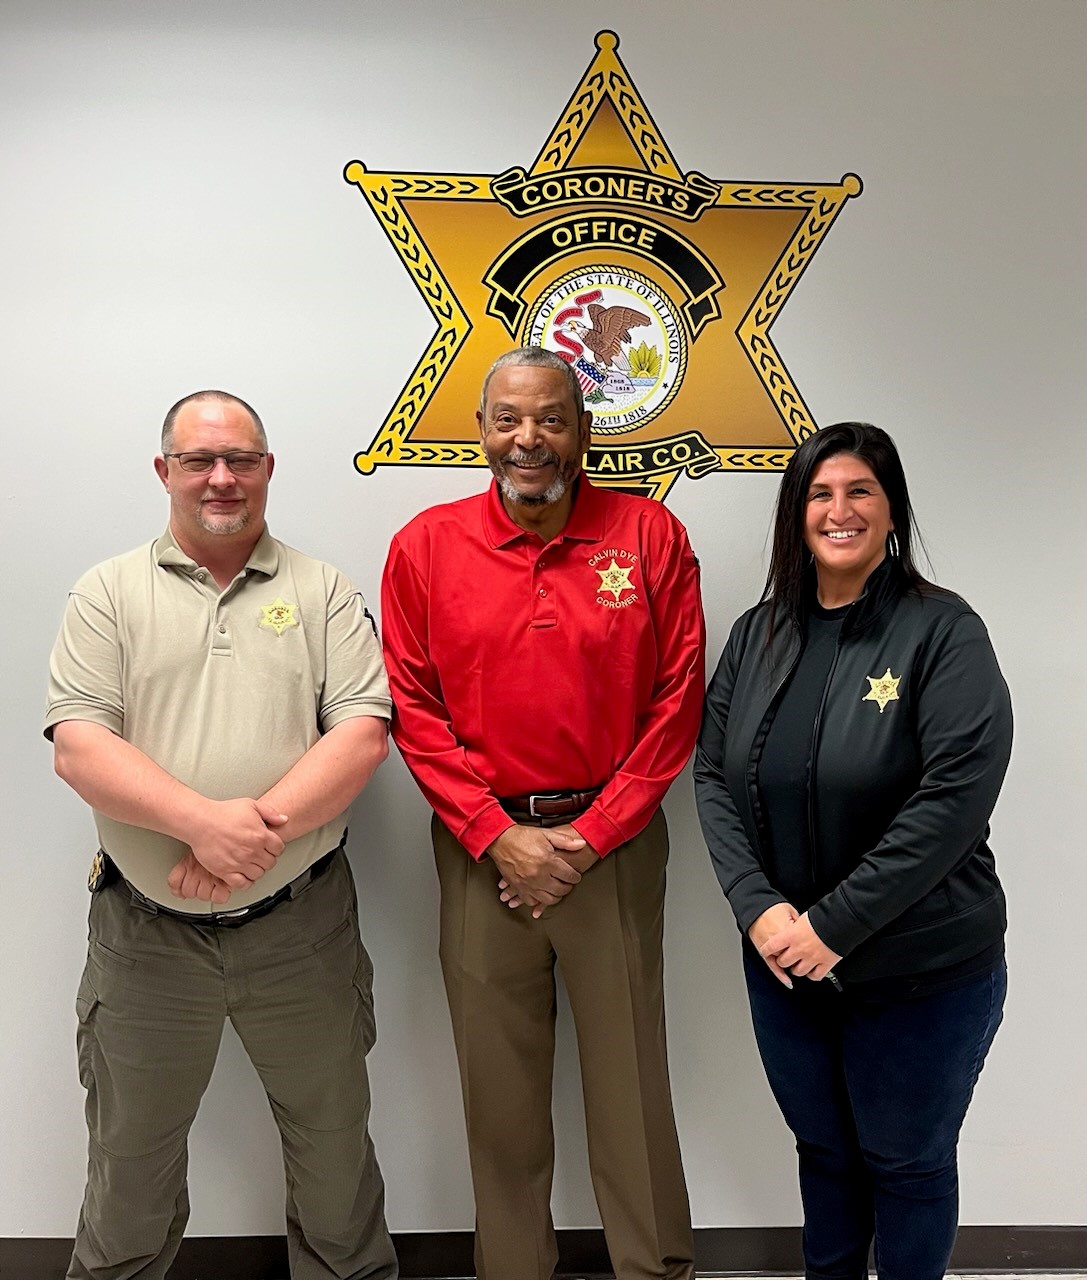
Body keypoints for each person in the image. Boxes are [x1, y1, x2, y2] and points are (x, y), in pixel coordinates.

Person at [46, 390, 398, 1280]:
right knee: (128, 1169)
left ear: (267, 470)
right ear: (163, 471)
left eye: (241, 460)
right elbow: (82, 748)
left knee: (335, 1162)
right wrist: (204, 826)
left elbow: (362, 734)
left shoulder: (323, 590)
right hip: (145, 944)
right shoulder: (107, 592)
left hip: (301, 933)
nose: (220, 478)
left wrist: (255, 839)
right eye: (199, 460)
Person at [381, 347, 705, 1280]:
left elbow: (677, 702)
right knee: (500, 1096)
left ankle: (655, 1272)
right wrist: (495, 836)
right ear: (481, 430)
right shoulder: (424, 546)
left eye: (552, 419)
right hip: (483, 856)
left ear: (583, 430)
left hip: (613, 851)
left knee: (631, 1091)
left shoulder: (648, 537)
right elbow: (413, 709)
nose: (530, 439)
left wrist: (592, 836)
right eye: (509, 419)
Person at [694, 422, 1012, 1280]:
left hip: (922, 970)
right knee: (825, 1157)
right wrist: (759, 912)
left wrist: (833, 925)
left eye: (859, 491)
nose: (839, 511)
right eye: (819, 493)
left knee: (904, 1166)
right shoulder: (758, 634)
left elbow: (950, 801)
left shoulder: (943, 633)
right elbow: (712, 780)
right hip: (784, 966)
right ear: (795, 514)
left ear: (890, 509)